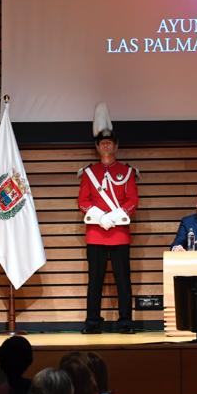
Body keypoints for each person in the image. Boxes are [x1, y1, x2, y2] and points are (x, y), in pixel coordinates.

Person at [77, 103, 138, 335]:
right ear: (97, 146)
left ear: (116, 146)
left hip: (120, 234)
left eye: (110, 142)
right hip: (95, 233)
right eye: (102, 143)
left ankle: (125, 322)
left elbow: (132, 200)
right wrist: (99, 216)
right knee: (95, 282)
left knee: (123, 281)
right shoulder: (89, 172)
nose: (106, 146)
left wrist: (115, 215)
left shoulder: (128, 171)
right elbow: (82, 201)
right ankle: (92, 322)